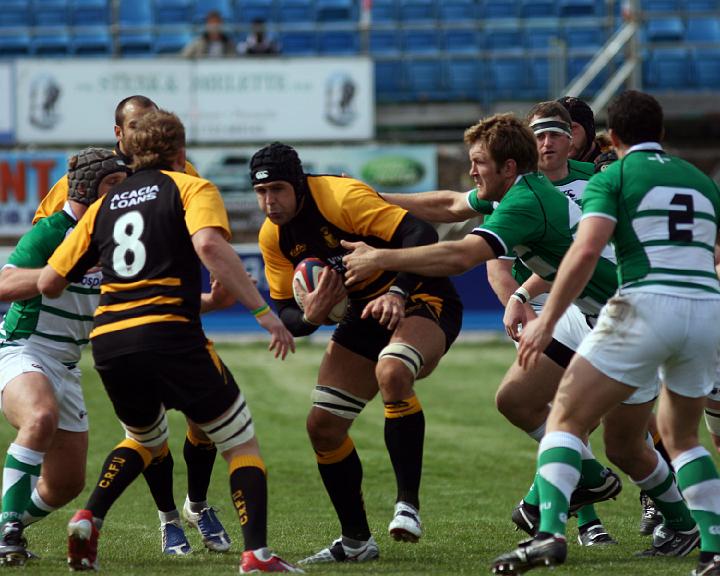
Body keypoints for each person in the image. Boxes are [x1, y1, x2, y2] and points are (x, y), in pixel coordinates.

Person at [342, 113, 701, 559]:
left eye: (479, 163)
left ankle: (679, 524)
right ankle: (584, 484)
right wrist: (371, 198)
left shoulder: (525, 202)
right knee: (516, 399)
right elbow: (452, 206)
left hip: (628, 317)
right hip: (584, 312)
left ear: (508, 168)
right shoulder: (515, 191)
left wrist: (380, 258)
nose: (472, 172)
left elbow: (460, 256)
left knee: (625, 445)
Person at [37, 111, 300, 574]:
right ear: (181, 151)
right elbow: (211, 248)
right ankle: (256, 554)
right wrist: (264, 313)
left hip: (111, 342)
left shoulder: (103, 205)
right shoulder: (190, 187)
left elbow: (50, 281)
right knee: (240, 442)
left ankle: (88, 516)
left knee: (142, 438)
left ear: (131, 152)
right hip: (170, 334)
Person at [492, 90, 720, 576]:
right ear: (660, 134)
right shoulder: (701, 181)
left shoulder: (610, 177)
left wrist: (546, 319)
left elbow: (586, 250)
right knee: (681, 438)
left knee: (566, 418)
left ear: (610, 138)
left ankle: (550, 534)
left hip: (643, 306)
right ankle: (711, 548)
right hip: (705, 311)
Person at [32, 94, 230, 556]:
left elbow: (202, 236)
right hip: (122, 322)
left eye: (154, 123)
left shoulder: (185, 175)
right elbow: (47, 251)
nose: (148, 132)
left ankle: (196, 505)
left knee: (206, 420)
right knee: (146, 431)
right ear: (119, 134)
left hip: (175, 319)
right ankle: (167, 520)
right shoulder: (81, 183)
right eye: (138, 125)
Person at [251, 142, 463, 564]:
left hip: (420, 293)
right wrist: (311, 316)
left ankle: (407, 506)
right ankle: (355, 542)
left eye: (276, 189)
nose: (269, 201)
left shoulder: (340, 197)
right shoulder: (272, 236)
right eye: (261, 193)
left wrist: (399, 291)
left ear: (297, 183)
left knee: (394, 370)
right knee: (323, 425)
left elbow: (420, 232)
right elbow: (288, 314)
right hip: (363, 312)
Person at [0, 148, 130, 565]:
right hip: (24, 349)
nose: (123, 194)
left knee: (65, 484)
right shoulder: (54, 231)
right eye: (114, 185)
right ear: (92, 188)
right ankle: (8, 535)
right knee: (39, 418)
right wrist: (56, 273)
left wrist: (209, 302)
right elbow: (4, 284)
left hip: (68, 364)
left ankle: (6, 521)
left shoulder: (115, 238)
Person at [556, 96, 617, 172]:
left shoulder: (616, 166)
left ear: (589, 131)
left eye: (571, 128)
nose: (564, 137)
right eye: (556, 131)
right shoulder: (542, 168)